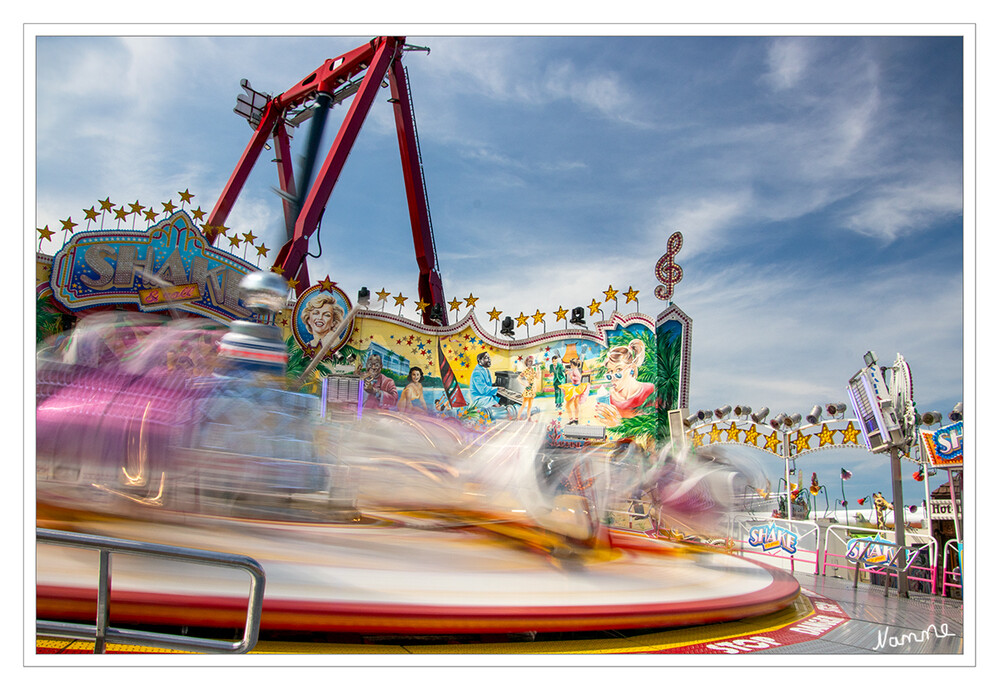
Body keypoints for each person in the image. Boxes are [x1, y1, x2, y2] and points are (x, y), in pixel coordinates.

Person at [594, 339, 655, 426]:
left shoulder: (650, 391)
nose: (613, 378)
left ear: (631, 368)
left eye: (618, 371)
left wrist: (618, 423)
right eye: (610, 373)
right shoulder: (608, 399)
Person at [560, 357, 589, 425]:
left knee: (568, 405)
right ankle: (575, 419)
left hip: (576, 389)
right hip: (575, 388)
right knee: (575, 405)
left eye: (571, 364)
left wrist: (571, 376)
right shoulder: (574, 370)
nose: (570, 365)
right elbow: (572, 373)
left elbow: (578, 378)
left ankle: (573, 419)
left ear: (573, 364)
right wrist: (569, 372)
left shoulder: (576, 371)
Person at [518, 356, 539, 420]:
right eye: (529, 361)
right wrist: (525, 384)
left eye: (531, 361)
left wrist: (538, 368)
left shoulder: (533, 370)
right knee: (524, 404)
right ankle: (518, 417)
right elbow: (518, 378)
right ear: (527, 363)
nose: (530, 363)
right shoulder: (525, 371)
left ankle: (528, 417)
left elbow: (537, 377)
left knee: (530, 405)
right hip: (527, 389)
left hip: (532, 389)